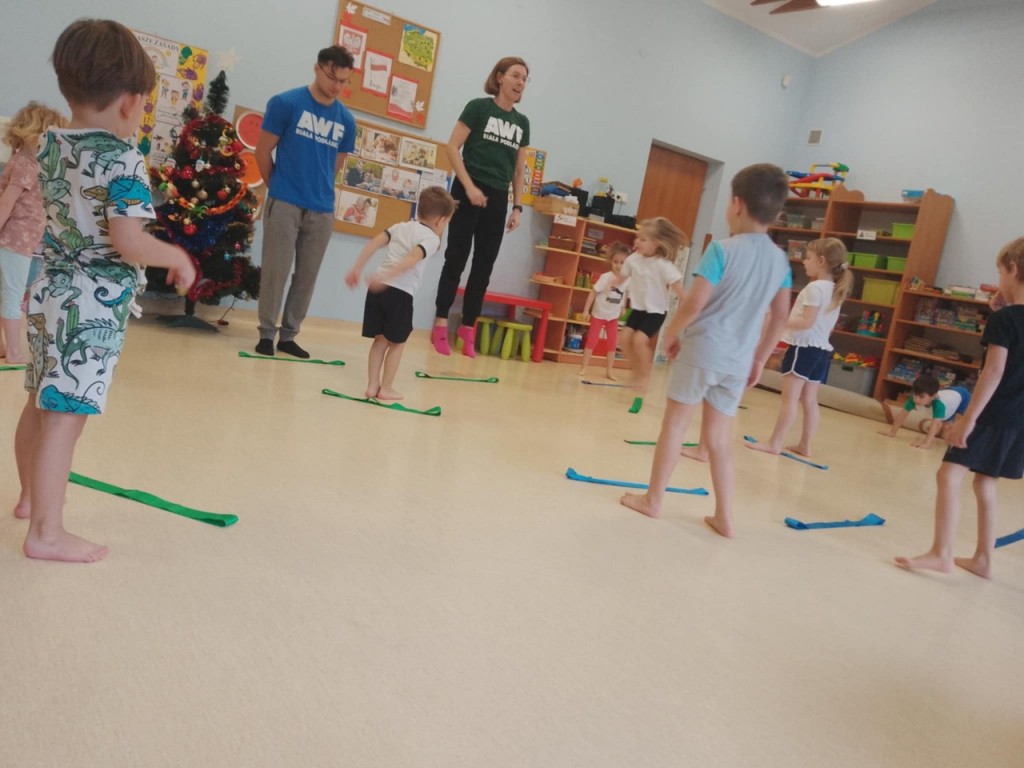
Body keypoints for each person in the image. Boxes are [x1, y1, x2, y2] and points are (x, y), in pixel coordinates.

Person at [13, 19, 196, 563]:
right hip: (90, 301)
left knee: (39, 402)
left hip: (47, 291)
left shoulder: (49, 143)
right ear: (131, 102)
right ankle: (46, 532)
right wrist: (176, 256)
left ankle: (30, 498)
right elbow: (127, 240)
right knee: (66, 417)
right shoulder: (124, 159)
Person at [619, 164, 792, 537]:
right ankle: (725, 517)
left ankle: (653, 500)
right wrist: (760, 357)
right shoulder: (780, 260)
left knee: (675, 424)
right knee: (718, 440)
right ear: (777, 213)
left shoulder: (722, 249)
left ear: (736, 204)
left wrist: (672, 333)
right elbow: (781, 316)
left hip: (703, 351)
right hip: (738, 361)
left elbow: (695, 303)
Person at [896, 237, 1024, 579]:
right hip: (1018, 418)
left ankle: (941, 553)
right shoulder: (1007, 317)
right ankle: (983, 559)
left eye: (1000, 272)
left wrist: (969, 418)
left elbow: (993, 372)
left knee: (949, 473)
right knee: (986, 482)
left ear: (1013, 269)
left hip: (994, 411)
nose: (999, 280)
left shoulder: (1006, 320)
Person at [255, 45, 357, 359]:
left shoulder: (347, 120)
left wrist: (316, 190)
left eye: (343, 81)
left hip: (322, 208)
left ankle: (289, 335)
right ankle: (266, 333)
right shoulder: (286, 103)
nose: (337, 86)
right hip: (285, 201)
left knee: (307, 276)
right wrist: (278, 188)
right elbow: (262, 152)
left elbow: (335, 164)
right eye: (332, 77)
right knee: (276, 271)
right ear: (317, 68)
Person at [432, 56, 531, 358]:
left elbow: (519, 170)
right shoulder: (478, 108)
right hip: (467, 187)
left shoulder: (522, 123)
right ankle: (440, 323)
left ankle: (468, 327)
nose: (520, 82)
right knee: (456, 258)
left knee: (484, 266)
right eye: (515, 75)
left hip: (498, 197)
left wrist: (517, 207)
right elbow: (452, 147)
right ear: (499, 77)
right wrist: (469, 187)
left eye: (524, 78)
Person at [345, 186, 457, 400]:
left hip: (377, 291)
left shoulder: (401, 226)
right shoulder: (432, 239)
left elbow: (375, 242)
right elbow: (412, 258)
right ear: (441, 221)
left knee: (380, 341)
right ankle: (386, 388)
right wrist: (388, 277)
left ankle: (372, 385)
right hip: (400, 293)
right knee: (397, 343)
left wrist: (357, 268)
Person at [748, 237, 852, 458]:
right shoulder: (835, 289)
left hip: (804, 348)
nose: (804, 261)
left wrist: (779, 319)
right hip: (821, 350)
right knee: (810, 400)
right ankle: (805, 445)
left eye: (808, 257)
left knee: (789, 400)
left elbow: (806, 322)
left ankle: (774, 443)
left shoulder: (814, 288)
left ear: (821, 261)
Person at [0, 101, 67, 363]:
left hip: (15, 242)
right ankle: (15, 352)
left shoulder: (23, 162)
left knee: (6, 294)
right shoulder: (26, 165)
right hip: (15, 242)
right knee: (13, 296)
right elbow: (6, 202)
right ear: (35, 135)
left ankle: (4, 347)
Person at [617, 217, 688, 412]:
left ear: (656, 244)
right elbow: (622, 275)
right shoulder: (633, 259)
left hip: (656, 311)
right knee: (624, 338)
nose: (637, 242)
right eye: (637, 238)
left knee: (639, 340)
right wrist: (613, 283)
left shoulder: (662, 265)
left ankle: (644, 376)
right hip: (639, 308)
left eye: (643, 239)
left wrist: (688, 303)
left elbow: (677, 287)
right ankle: (637, 371)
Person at [578, 242, 630, 380]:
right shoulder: (605, 277)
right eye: (615, 262)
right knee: (592, 341)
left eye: (622, 262)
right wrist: (586, 310)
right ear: (611, 262)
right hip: (599, 314)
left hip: (613, 317)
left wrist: (623, 307)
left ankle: (609, 371)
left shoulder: (627, 279)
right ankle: (583, 367)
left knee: (612, 344)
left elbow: (624, 293)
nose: (618, 265)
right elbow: (593, 293)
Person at [879, 374, 972, 449]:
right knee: (946, 433)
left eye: (921, 397)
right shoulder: (914, 399)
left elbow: (935, 425)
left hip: (963, 397)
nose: (916, 399)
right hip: (950, 400)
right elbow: (902, 414)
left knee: (968, 422)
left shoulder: (939, 405)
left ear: (933, 396)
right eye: (915, 395)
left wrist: (926, 443)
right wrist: (893, 432)